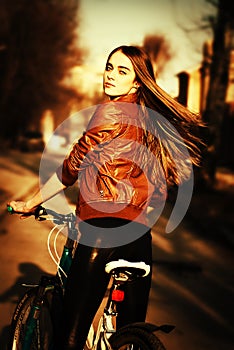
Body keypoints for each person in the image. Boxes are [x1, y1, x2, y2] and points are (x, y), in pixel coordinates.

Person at [8, 45, 204, 349]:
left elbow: (72, 166)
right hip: (140, 238)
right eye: (109, 67)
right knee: (131, 338)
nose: (111, 75)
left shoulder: (110, 111)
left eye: (122, 71)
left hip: (100, 232)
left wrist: (32, 201)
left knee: (68, 337)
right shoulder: (150, 121)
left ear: (137, 82)